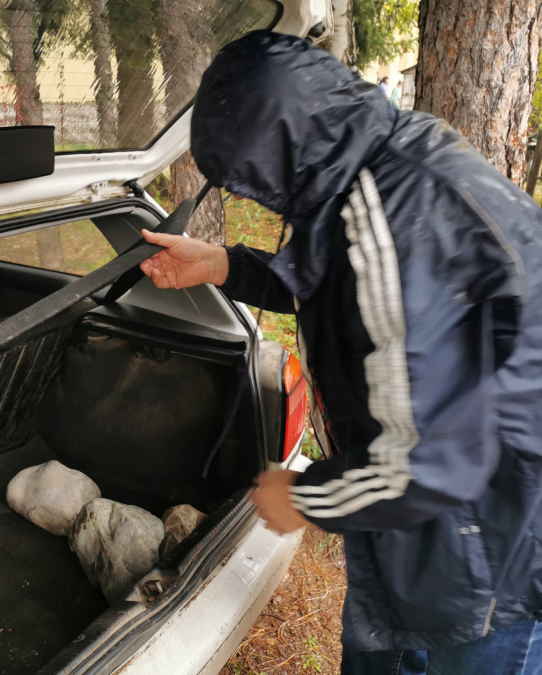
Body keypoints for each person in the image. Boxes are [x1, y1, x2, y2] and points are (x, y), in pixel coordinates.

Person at [140, 31, 542, 675]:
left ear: (282, 154)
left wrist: (303, 497)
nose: (249, 197)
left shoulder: (392, 217)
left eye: (250, 181)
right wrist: (223, 265)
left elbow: (432, 463)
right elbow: (349, 289)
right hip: (417, 520)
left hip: (489, 543)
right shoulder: (371, 159)